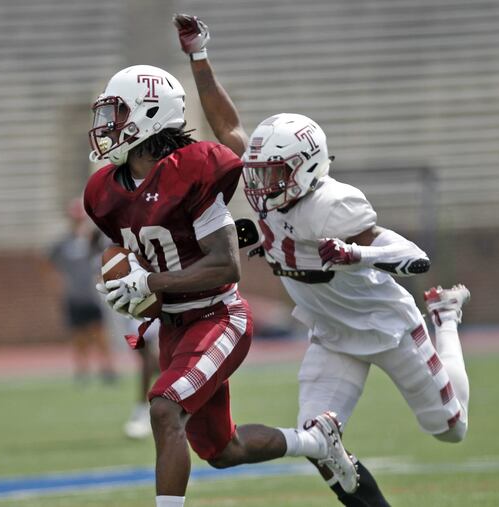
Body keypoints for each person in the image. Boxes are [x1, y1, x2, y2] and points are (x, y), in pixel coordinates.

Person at [174, 14, 472, 506]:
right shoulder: (267, 185)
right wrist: (199, 56)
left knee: (450, 429)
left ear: (307, 168)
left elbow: (412, 254)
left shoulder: (334, 205)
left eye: (273, 175)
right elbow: (227, 125)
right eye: (261, 173)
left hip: (386, 326)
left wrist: (359, 252)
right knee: (317, 439)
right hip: (331, 332)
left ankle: (445, 318)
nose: (260, 186)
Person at [84, 64, 358, 507]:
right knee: (223, 450)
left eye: (117, 113)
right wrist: (130, 289)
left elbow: (226, 266)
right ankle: (317, 442)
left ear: (149, 113)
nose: (107, 125)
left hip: (218, 317)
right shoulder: (104, 190)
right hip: (176, 327)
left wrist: (149, 281)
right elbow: (134, 251)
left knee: (163, 407)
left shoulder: (191, 170)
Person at [47, 198, 118, 384]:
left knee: (100, 333)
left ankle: (107, 368)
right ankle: (82, 370)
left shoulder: (93, 240)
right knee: (79, 335)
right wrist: (58, 286)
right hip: (74, 295)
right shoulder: (62, 243)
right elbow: (49, 265)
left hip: (92, 294)